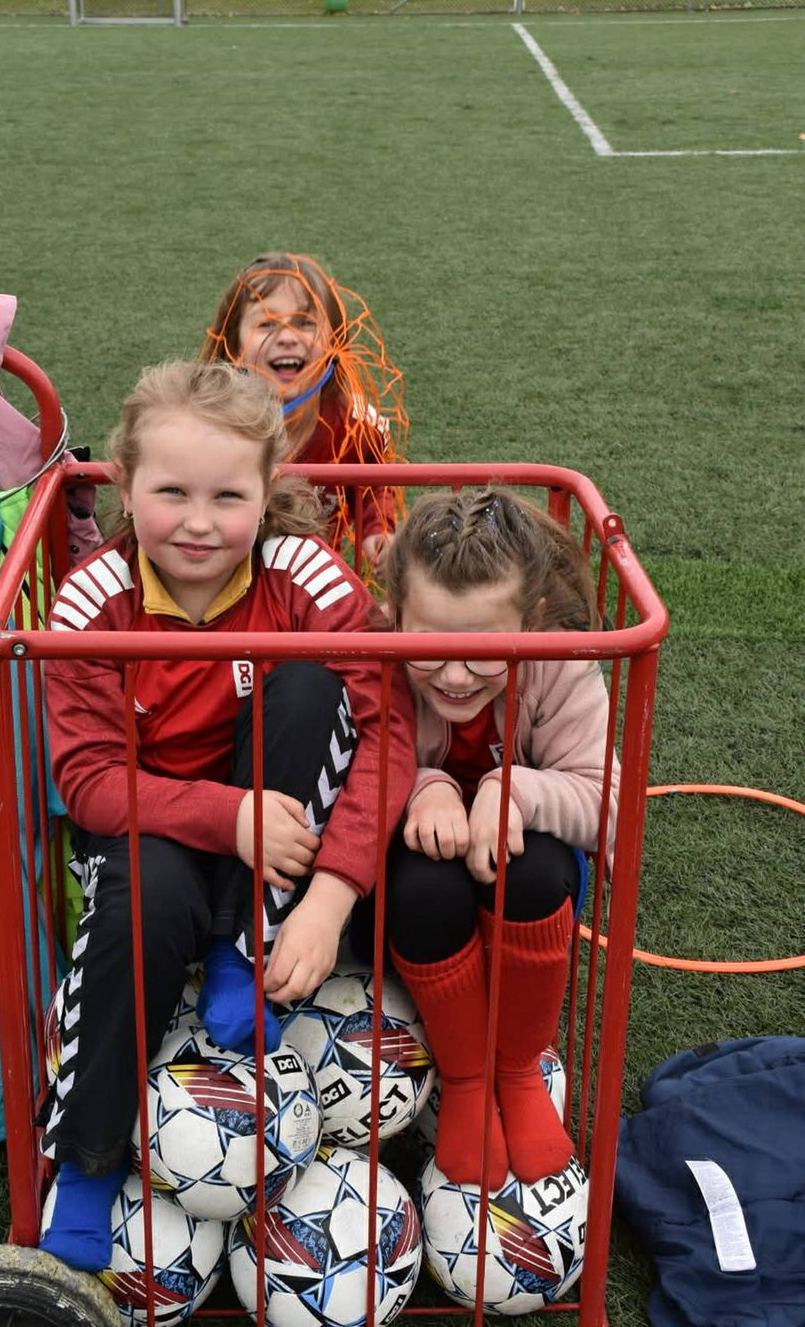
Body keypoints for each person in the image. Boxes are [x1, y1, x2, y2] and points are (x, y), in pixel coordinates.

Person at [39, 359, 415, 1272]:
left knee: (310, 691)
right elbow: (89, 778)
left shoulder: (305, 575)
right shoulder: (92, 600)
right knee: (143, 895)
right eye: (171, 492)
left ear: (269, 486)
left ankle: (241, 951)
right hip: (158, 825)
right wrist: (226, 814)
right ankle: (86, 1161)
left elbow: (388, 731)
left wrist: (332, 896)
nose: (199, 522)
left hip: (276, 837)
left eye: (228, 496)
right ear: (126, 483)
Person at [382, 486, 619, 1191]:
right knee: (424, 885)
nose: (456, 675)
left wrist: (512, 790)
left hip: (523, 871)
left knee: (535, 870)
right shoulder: (376, 655)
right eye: (431, 647)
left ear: (532, 620)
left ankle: (516, 1070)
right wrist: (423, 788)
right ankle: (464, 1081)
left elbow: (608, 805)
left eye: (486, 649)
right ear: (395, 615)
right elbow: (348, 783)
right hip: (418, 877)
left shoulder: (558, 663)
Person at [200, 252, 408, 571]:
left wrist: (377, 529)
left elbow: (374, 481)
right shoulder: (203, 422)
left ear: (334, 341)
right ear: (233, 345)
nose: (287, 337)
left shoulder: (354, 425)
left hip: (312, 578)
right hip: (224, 576)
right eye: (266, 324)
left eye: (305, 323)